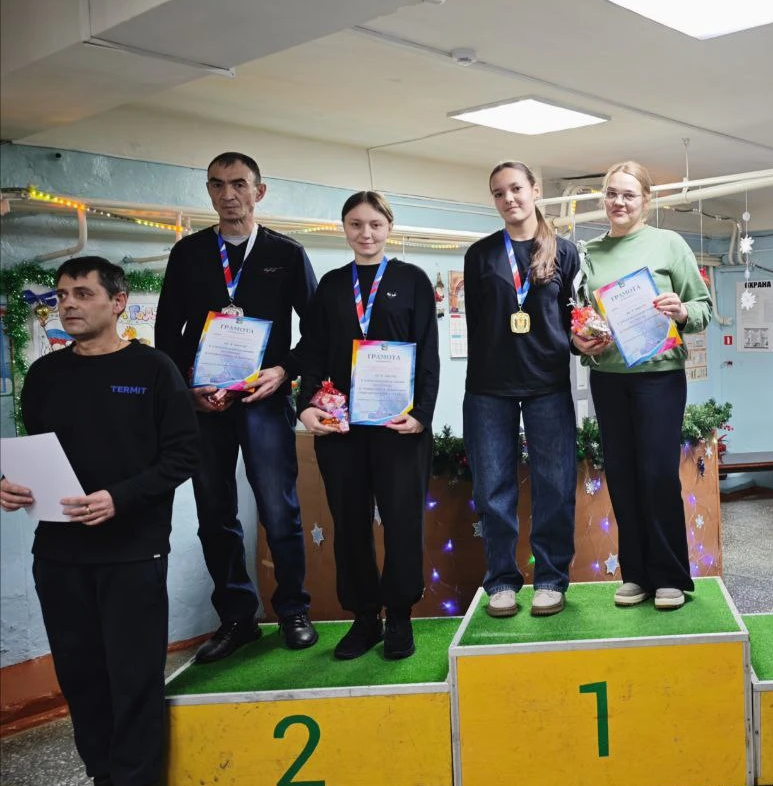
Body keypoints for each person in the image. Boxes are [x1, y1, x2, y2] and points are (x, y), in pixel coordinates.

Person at [1, 256, 200, 786]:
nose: (68, 303)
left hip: (133, 552)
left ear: (117, 303)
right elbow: (36, 452)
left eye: (82, 293)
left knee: (133, 675)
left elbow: (183, 455)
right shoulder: (45, 375)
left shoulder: (154, 370)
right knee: (82, 677)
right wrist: (10, 485)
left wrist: (121, 497)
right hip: (58, 553)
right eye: (62, 294)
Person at [155, 151, 318, 662]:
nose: (228, 195)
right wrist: (186, 391)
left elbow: (318, 331)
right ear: (209, 191)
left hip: (264, 400)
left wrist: (284, 371)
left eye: (239, 184)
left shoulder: (286, 254)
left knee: (279, 509)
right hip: (206, 404)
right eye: (217, 185)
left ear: (258, 191)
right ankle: (237, 618)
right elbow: (167, 333)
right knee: (214, 512)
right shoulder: (188, 253)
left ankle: (292, 610)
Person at [297, 191, 439, 659]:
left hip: (399, 427)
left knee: (402, 522)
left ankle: (399, 616)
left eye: (375, 224)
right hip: (342, 429)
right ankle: (364, 617)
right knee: (350, 524)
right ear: (344, 228)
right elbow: (313, 351)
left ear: (388, 227)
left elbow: (429, 354)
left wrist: (421, 415)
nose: (366, 233)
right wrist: (305, 406)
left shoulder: (412, 280)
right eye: (356, 224)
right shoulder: (331, 286)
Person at [572, 160, 712, 610]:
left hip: (658, 378)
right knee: (622, 475)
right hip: (608, 378)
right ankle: (635, 574)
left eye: (629, 194)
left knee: (656, 474)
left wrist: (682, 311)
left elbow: (704, 308)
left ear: (647, 201)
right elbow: (580, 316)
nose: (619, 202)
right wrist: (581, 341)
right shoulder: (589, 253)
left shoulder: (669, 244)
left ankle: (670, 575)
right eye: (612, 193)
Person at [464, 161, 580, 619]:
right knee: (493, 488)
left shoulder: (564, 252)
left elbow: (573, 319)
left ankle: (550, 578)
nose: (508, 198)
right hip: (488, 388)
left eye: (515, 188)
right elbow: (478, 324)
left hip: (547, 384)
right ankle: (501, 581)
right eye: (498, 193)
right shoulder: (480, 254)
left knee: (555, 485)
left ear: (535, 190)